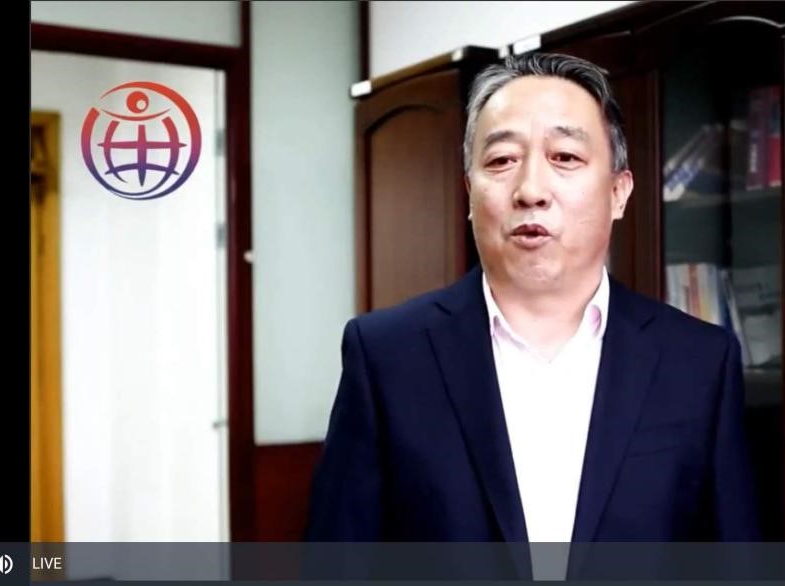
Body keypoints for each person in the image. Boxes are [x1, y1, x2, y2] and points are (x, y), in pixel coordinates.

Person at [305, 53, 760, 554]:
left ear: (618, 192)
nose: (531, 190)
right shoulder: (387, 355)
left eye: (565, 157)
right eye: (502, 160)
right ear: (469, 193)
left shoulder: (698, 361)